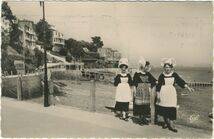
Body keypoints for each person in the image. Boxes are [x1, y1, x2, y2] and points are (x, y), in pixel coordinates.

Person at [156, 58, 194, 132]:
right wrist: (158, 94)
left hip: (171, 93)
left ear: (171, 67)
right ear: (164, 68)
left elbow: (181, 81)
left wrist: (188, 87)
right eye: (166, 67)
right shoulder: (161, 75)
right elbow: (158, 86)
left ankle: (172, 125)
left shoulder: (174, 74)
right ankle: (166, 123)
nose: (167, 69)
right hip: (163, 93)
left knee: (172, 108)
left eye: (168, 67)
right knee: (164, 108)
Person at [133, 57, 157, 125]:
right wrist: (134, 92)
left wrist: (161, 82)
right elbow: (134, 84)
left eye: (148, 66)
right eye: (146, 66)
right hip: (139, 91)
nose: (147, 67)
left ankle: (143, 118)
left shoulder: (148, 74)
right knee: (140, 105)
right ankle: (140, 119)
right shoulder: (137, 74)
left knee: (145, 105)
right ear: (143, 66)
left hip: (146, 91)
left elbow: (154, 80)